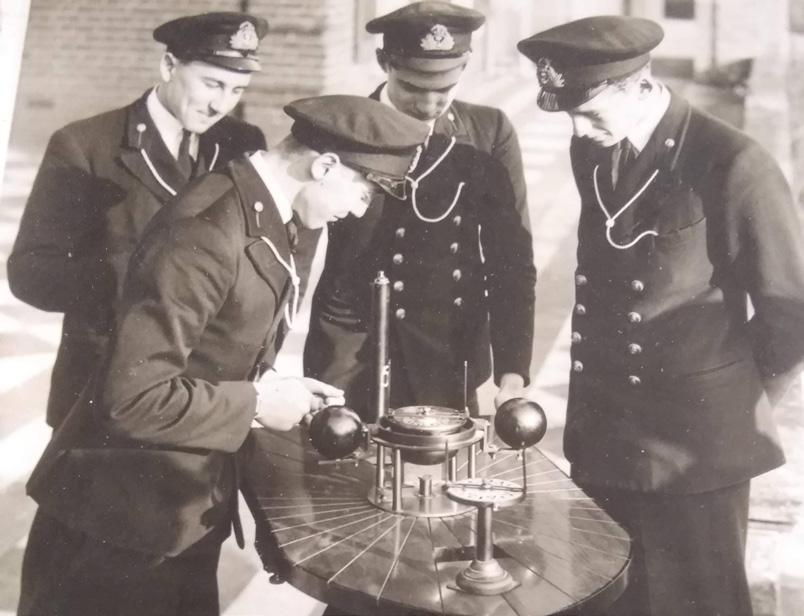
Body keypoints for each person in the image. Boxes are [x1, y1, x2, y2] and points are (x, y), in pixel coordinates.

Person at [18, 95, 430, 616]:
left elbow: (212, 342)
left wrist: (276, 386)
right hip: (114, 530)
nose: (360, 209)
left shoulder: (257, 209)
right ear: (324, 166)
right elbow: (132, 398)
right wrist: (257, 404)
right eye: (364, 190)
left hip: (170, 511)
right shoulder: (209, 228)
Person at [518, 15, 804, 616]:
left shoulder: (732, 161)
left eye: (589, 112)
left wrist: (734, 405)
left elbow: (791, 315)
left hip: (694, 454)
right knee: (604, 598)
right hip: (605, 436)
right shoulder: (593, 147)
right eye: (569, 115)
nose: (578, 129)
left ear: (641, 86)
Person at [7, 11, 268, 430]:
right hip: (104, 381)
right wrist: (132, 280)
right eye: (211, 84)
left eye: (236, 90)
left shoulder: (242, 143)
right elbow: (29, 271)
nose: (221, 105)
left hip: (206, 387)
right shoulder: (87, 145)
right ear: (168, 65)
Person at [304, 1, 536, 419]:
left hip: (446, 355)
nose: (430, 104)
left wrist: (513, 371)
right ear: (384, 63)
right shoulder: (342, 126)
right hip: (349, 351)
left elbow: (511, 259)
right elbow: (296, 248)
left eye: (445, 88)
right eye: (413, 87)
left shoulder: (489, 132)